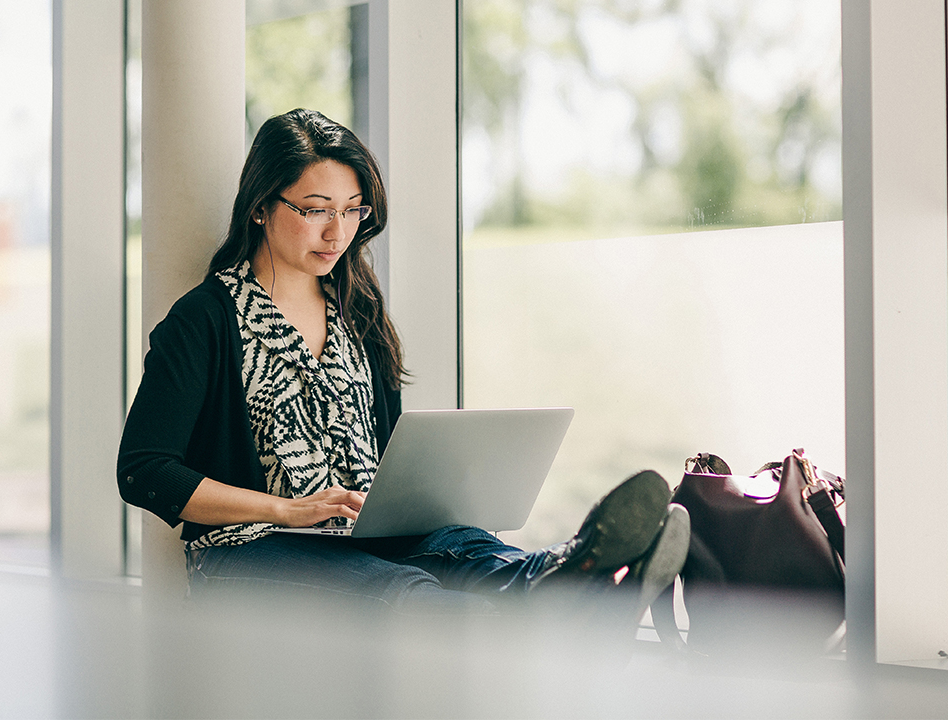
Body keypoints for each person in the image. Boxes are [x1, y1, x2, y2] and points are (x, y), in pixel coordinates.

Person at [118, 108, 688, 618]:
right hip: (246, 549)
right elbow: (143, 469)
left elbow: (391, 454)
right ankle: (580, 611)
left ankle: (568, 581)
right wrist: (287, 509)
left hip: (364, 534)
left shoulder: (357, 311)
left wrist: (430, 496)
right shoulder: (206, 319)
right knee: (406, 590)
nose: (337, 232)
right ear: (262, 207)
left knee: (473, 552)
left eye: (351, 211)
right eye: (316, 211)